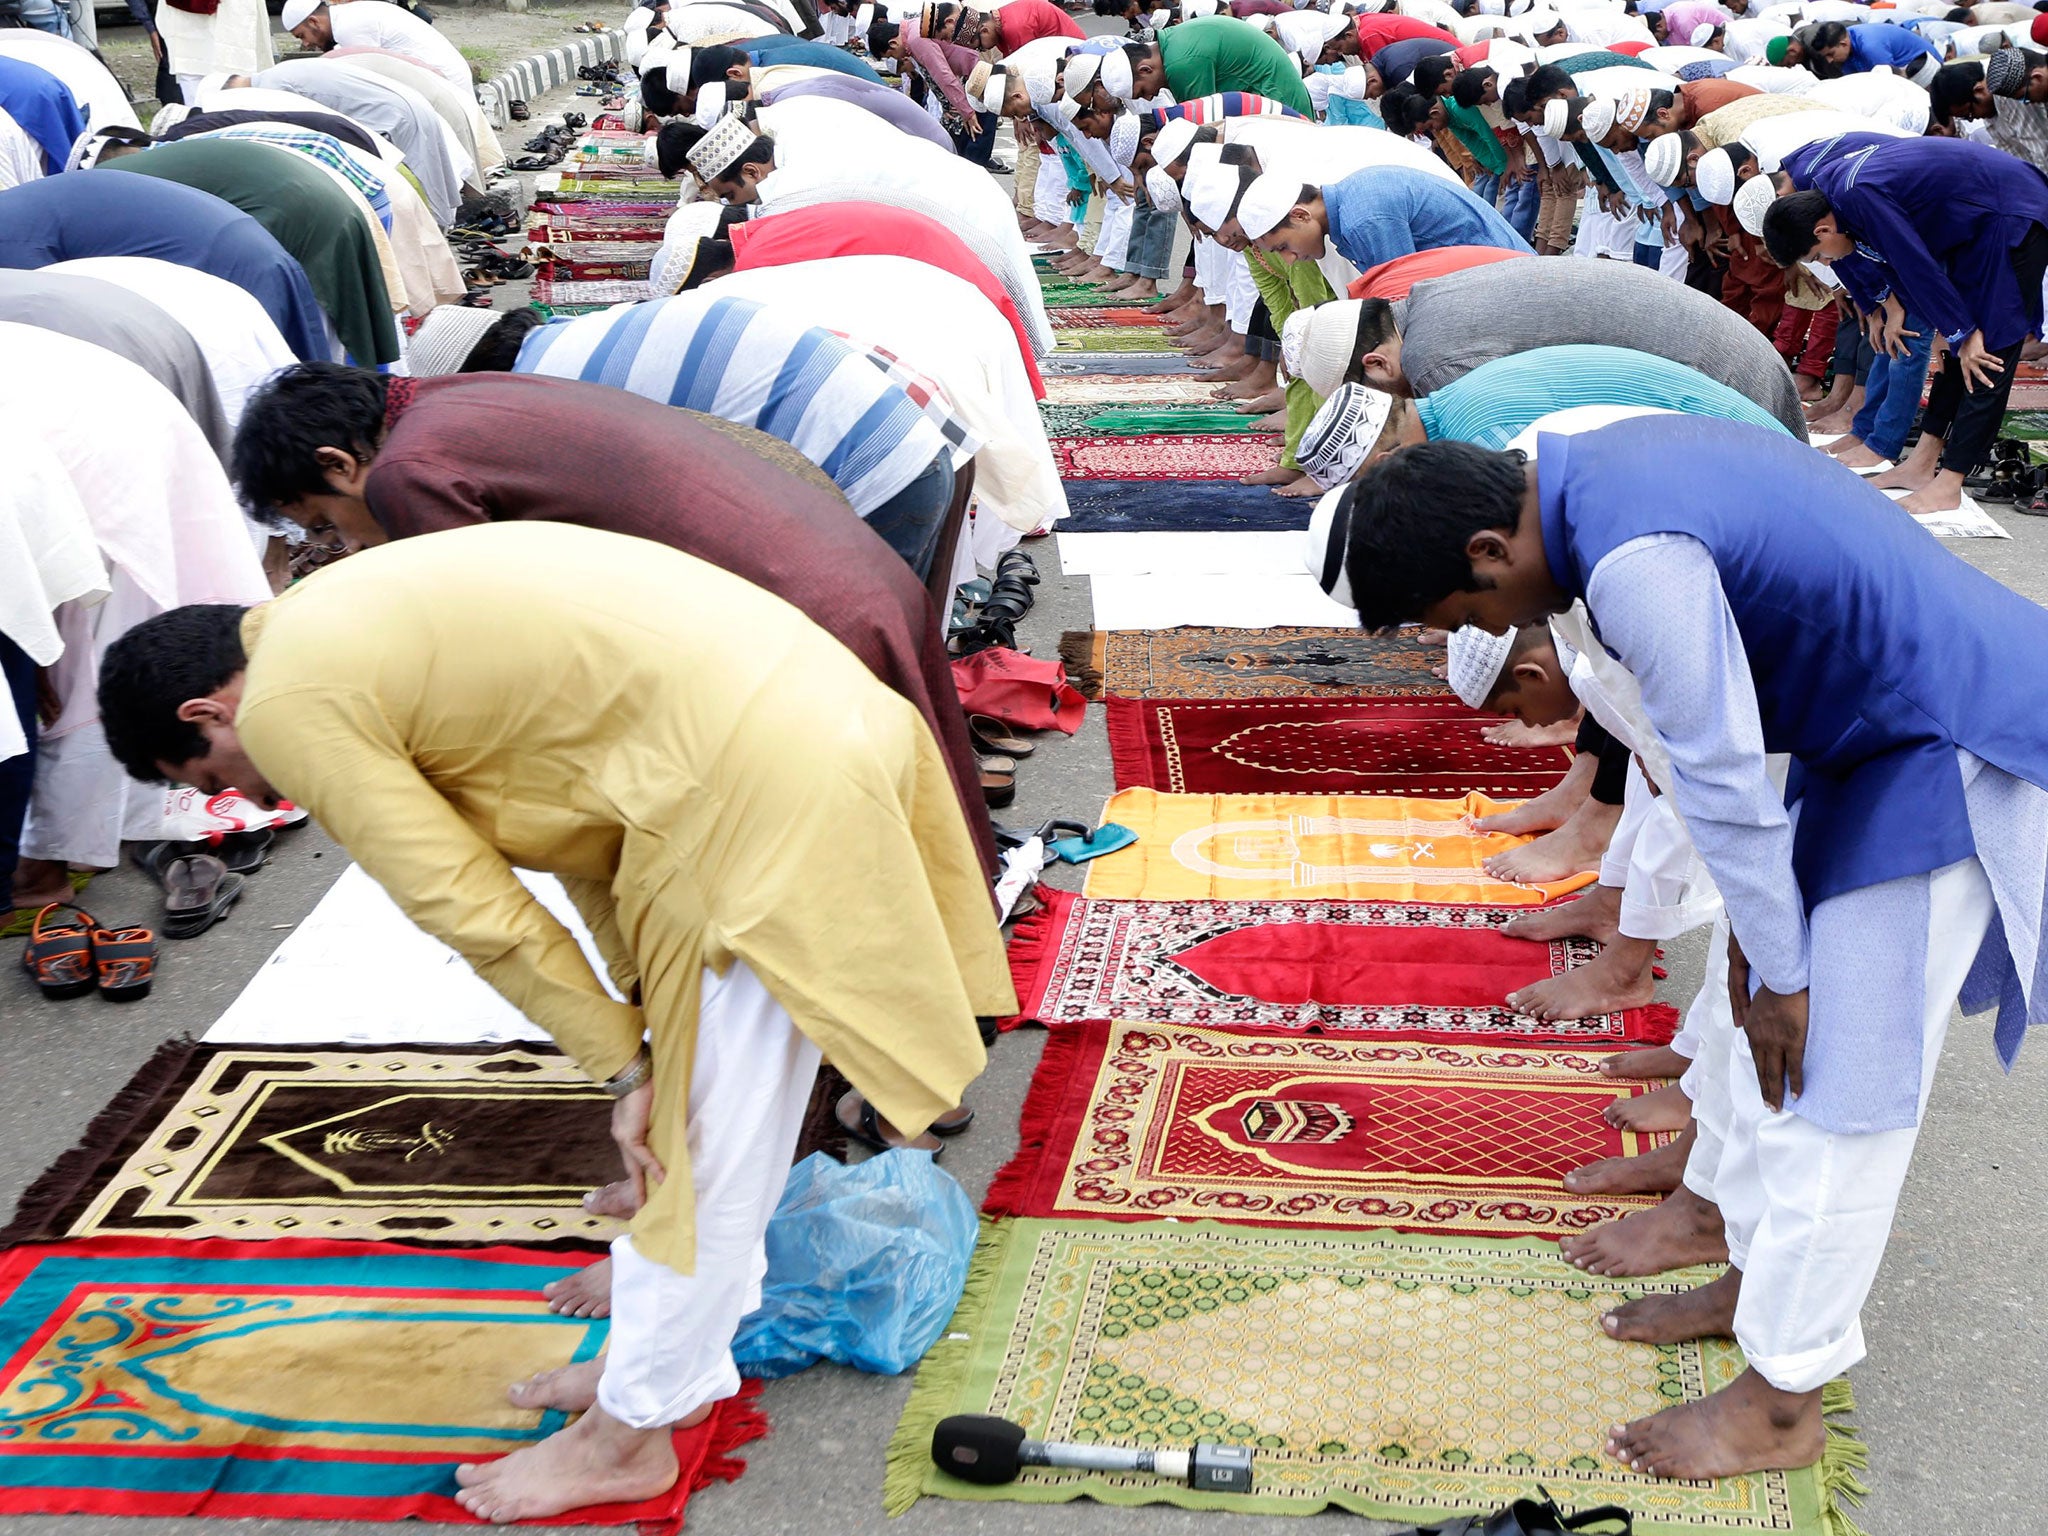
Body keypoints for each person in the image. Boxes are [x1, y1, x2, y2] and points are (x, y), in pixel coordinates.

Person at [95, 519, 1008, 1525]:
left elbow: (465, 903)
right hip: (789, 737)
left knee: (695, 1151)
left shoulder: (288, 704)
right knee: (695, 1115)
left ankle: (631, 1434)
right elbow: (583, 819)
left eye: (217, 778)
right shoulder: (329, 619)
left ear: (206, 709)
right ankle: (649, 1359)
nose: (249, 796)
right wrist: (639, 1037)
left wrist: (627, 1069)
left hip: (753, 793)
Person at [1335, 415, 2048, 1482]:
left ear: (1488, 551)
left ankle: (1780, 1405)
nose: (1497, 625)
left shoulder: (1631, 564)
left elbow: (1713, 770)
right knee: (1748, 1021)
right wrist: (1756, 951)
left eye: (1471, 611)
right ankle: (1751, 1282)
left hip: (1946, 744)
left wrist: (1786, 972)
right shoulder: (1594, 473)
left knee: (1832, 1088)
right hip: (1875, 737)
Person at [225, 364, 993, 853]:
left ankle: (903, 1079)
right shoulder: (453, 398)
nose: (349, 550)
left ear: (338, 463)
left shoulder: (406, 474)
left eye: (327, 526)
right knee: (903, 839)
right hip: (853, 574)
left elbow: (496, 643)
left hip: (808, 618)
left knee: (837, 862)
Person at [0, 323, 268, 914]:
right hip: (119, 414)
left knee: (77, 673)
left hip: (78, 455)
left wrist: (36, 650)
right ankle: (82, 833)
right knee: (98, 648)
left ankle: (44, 866)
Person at [513, 293, 969, 576]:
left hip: (877, 479)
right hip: (913, 442)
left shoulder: (543, 392)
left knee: (846, 675)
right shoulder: (575, 334)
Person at [1760, 132, 2048, 514]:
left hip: (2009, 212)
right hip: (1969, 227)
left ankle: (1949, 484)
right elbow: (1888, 260)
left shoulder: (1857, 194)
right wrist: (1941, 326)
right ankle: (1923, 463)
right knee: (1951, 351)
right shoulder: (1833, 197)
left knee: (1988, 350)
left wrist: (1959, 331)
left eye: (1819, 256)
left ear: (1822, 231)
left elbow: (1912, 262)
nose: (1827, 265)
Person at [1280, 256, 1807, 436]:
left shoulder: (1436, 359)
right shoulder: (1423, 302)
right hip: (1736, 355)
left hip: (1731, 386)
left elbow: (1510, 485)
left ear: (1376, 362)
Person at [91, 135, 401, 366]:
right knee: (338, 331)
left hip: (295, 214)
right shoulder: (160, 159)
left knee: (296, 346)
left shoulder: (105, 185)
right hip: (333, 197)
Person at [692, 200, 1046, 396]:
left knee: (971, 359)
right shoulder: (759, 235)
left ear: (710, 279)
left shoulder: (757, 267)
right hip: (919, 243)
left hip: (927, 260)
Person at [0, 172, 327, 363]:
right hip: (238, 239)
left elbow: (47, 326)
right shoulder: (15, 211)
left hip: (219, 262)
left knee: (282, 411)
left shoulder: (9, 237)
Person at [1242, 163, 1534, 271]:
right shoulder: (1353, 195)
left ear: (1300, 214)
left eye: (1283, 247)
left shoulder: (1364, 218)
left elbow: (1402, 301)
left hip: (1516, 284)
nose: (1289, 259)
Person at [1127, 14, 1317, 115]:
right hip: (1275, 96)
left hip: (1280, 103)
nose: (1150, 98)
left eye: (1142, 92)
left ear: (1145, 69)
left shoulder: (1180, 64)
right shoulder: (1173, 43)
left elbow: (1203, 127)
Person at [281, 0, 475, 95]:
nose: (305, 44)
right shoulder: (347, 16)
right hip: (441, 81)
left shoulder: (349, 26)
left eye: (302, 36)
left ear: (314, 22)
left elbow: (365, 83)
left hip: (447, 85)